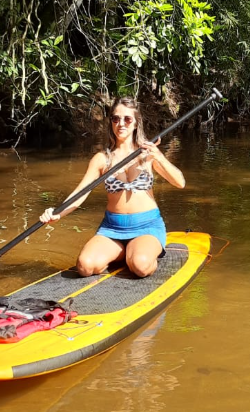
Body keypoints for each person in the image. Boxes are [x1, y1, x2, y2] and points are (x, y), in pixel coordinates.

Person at [40, 96, 185, 277]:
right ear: (111, 123)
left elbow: (180, 182)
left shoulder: (148, 154)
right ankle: (123, 253)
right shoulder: (102, 159)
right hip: (112, 228)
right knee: (85, 267)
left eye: (127, 119)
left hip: (147, 226)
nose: (121, 124)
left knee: (140, 266)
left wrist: (158, 156)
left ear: (135, 123)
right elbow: (81, 193)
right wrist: (57, 213)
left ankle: (139, 252)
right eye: (116, 119)